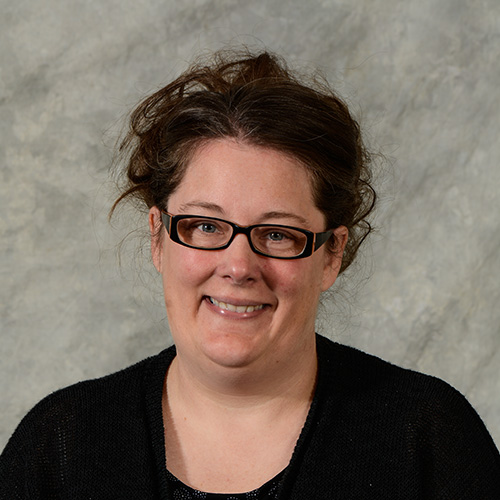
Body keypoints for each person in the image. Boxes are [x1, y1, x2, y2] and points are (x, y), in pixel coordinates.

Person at [1, 49, 499, 500]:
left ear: (332, 254)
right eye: (204, 225)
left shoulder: (429, 438)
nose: (238, 266)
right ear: (157, 236)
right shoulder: (59, 447)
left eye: (278, 235)